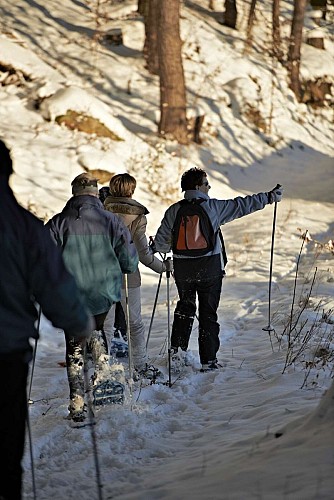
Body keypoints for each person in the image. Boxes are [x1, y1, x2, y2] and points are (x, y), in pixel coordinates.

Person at [0, 140, 93, 500]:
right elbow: (52, 283)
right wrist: (78, 323)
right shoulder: (21, 226)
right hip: (5, 352)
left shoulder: (51, 223)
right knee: (5, 451)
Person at [152, 167, 283, 371]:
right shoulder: (213, 208)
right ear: (198, 186)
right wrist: (268, 197)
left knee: (185, 308)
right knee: (208, 314)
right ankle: (209, 361)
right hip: (210, 269)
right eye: (206, 183)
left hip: (183, 271)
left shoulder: (174, 210)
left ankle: (177, 354)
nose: (209, 187)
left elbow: (160, 245)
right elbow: (242, 205)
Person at [46, 172, 138, 421]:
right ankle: (106, 387)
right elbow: (129, 261)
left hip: (70, 295)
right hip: (102, 292)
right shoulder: (112, 221)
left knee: (74, 343)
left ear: (74, 193)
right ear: (97, 193)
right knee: (97, 330)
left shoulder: (58, 223)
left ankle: (77, 403)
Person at [103, 173, 166, 378]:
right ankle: (140, 365)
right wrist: (163, 267)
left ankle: (102, 367)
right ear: (132, 190)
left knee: (105, 325)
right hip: (128, 277)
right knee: (135, 324)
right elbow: (143, 253)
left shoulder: (100, 211)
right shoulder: (138, 216)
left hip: (101, 275)